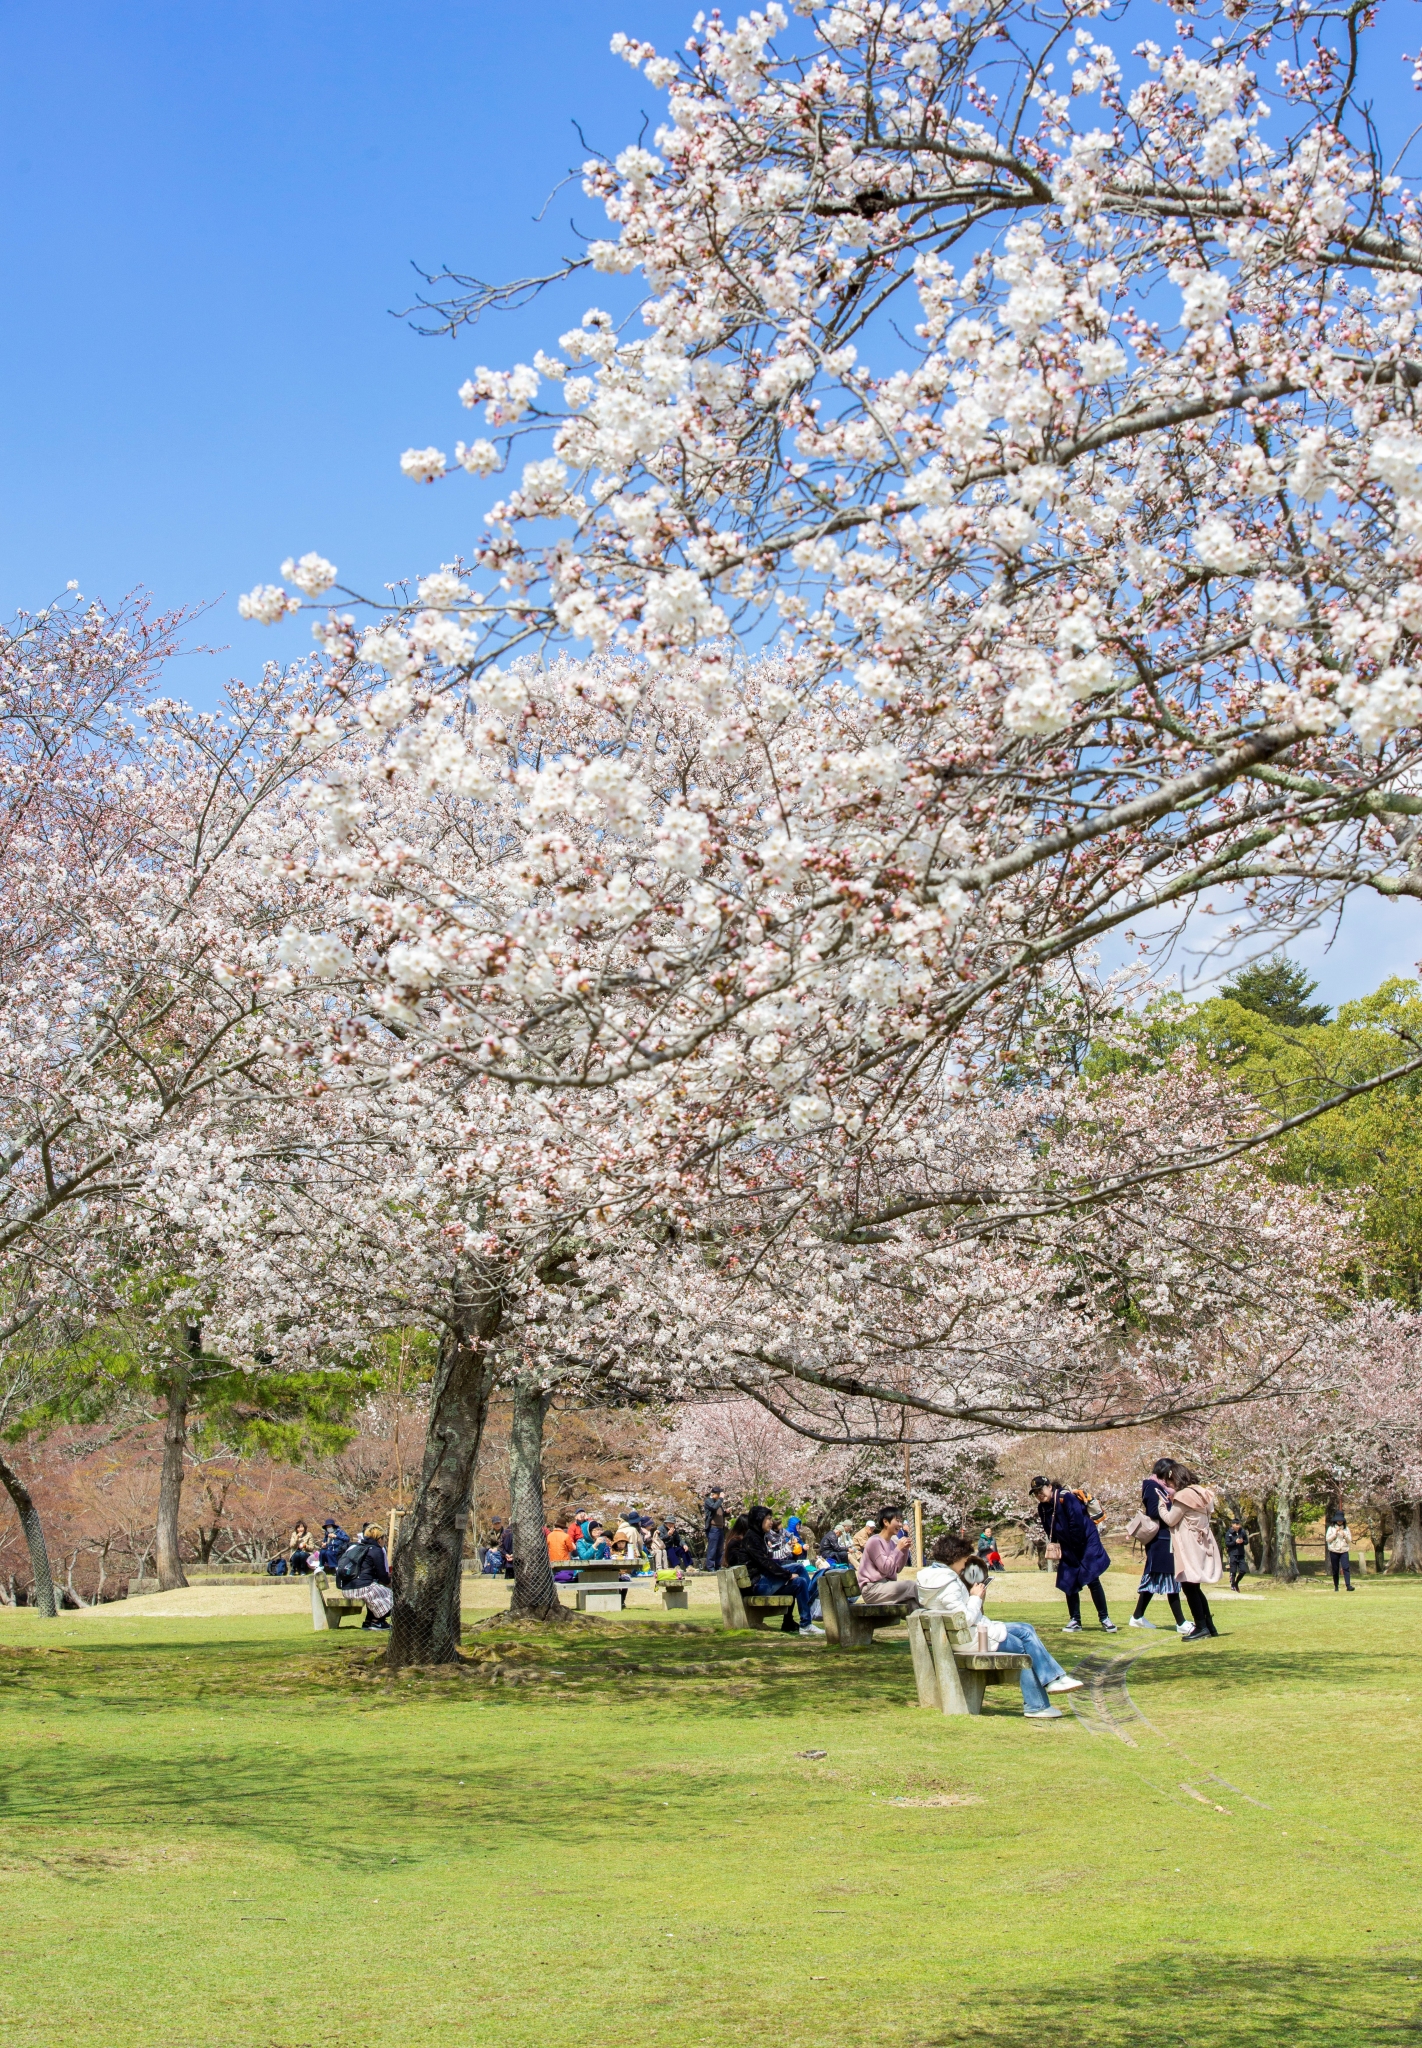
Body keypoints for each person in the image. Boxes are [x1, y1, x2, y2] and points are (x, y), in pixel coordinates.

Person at [918, 1532, 1084, 1719]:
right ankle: (1039, 1703)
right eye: (964, 1560)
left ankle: (1054, 1681)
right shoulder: (948, 1583)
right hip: (970, 1639)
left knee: (1026, 1629)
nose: (965, 1565)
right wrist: (975, 1597)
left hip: (960, 1636)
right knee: (1024, 1647)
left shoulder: (930, 1578)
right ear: (955, 1557)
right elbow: (964, 1619)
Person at [1031, 1477, 1117, 1633]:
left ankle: (1105, 1618)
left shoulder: (1066, 1498)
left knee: (1092, 1578)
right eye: (1035, 1493)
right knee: (1068, 1581)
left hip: (1085, 1542)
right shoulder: (1042, 1507)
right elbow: (1048, 1528)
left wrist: (1074, 1549)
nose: (1039, 1495)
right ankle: (1075, 1620)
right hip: (1067, 1545)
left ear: (1049, 1487)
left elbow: (1076, 1523)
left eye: (1041, 1490)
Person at [1155, 1462, 1222, 1640]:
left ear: (1175, 1478)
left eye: (1169, 1482)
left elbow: (1170, 1519)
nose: (1168, 1486)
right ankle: (1209, 1624)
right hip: (1203, 1541)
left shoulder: (1183, 1496)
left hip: (1189, 1543)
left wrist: (1162, 1505)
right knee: (1195, 1587)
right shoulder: (1201, 1491)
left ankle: (1200, 1626)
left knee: (1189, 1585)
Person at [743, 1504, 823, 1635]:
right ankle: (812, 1601)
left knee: (800, 1581)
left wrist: (787, 1557)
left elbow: (770, 1558)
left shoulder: (759, 1536)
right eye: (768, 1518)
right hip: (758, 1585)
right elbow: (765, 1563)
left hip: (764, 1581)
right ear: (759, 1519)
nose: (771, 1522)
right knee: (797, 1570)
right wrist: (787, 1575)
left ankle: (806, 1625)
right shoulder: (751, 1538)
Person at [1130, 1462, 1187, 1635]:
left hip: (1163, 1540)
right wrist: (1171, 1508)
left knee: (1155, 1579)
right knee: (1169, 1580)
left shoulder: (1158, 1488)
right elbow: (1154, 1512)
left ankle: (1137, 1616)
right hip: (1160, 1540)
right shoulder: (1152, 1487)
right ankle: (1181, 1622)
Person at [856, 1508, 920, 1611]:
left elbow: (897, 1568)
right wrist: (898, 1549)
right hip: (872, 1589)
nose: (900, 1524)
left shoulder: (891, 1543)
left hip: (886, 1586)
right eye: (897, 1520)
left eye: (900, 1521)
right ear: (885, 1522)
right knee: (911, 1586)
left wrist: (904, 1550)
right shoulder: (875, 1542)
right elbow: (885, 1568)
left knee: (912, 1604)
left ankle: (927, 1625)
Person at [336, 1522, 393, 1629]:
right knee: (393, 1596)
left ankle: (368, 1621)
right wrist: (389, 1580)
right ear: (379, 1539)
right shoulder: (376, 1550)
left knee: (376, 1593)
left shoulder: (356, 1547)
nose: (384, 1541)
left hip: (346, 1589)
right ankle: (377, 1622)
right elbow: (383, 1576)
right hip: (362, 1589)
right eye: (384, 1538)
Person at [1325, 1512, 1355, 1592]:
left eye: (1341, 1520)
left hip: (1344, 1550)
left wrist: (1344, 1535)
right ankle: (1336, 1586)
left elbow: (1349, 1541)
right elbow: (1328, 1539)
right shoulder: (1331, 1528)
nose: (1340, 1522)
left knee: (1346, 1568)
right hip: (1334, 1550)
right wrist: (1335, 1534)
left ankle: (1348, 1585)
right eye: (1338, 1520)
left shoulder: (1346, 1529)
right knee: (1335, 1569)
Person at [703, 1489, 728, 1572]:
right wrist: (721, 1499)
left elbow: (721, 1514)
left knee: (720, 1548)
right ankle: (710, 1567)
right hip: (713, 1528)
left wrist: (727, 1512)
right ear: (714, 1494)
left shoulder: (718, 1503)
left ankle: (718, 1565)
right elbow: (714, 1508)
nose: (720, 1495)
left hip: (720, 1528)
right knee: (712, 1548)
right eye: (719, 1494)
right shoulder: (709, 1501)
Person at [1226, 1522, 1250, 1592]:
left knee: (1243, 1570)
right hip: (1233, 1554)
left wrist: (1242, 1541)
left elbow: (1246, 1541)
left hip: (1241, 1554)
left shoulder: (1242, 1532)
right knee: (1233, 1571)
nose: (1238, 1526)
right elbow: (1227, 1543)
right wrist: (1235, 1542)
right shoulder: (1229, 1533)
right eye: (1236, 1524)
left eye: (1239, 1524)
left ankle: (1236, 1583)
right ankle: (1232, 1585)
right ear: (1233, 1525)